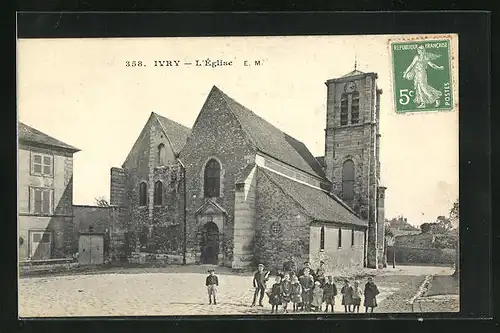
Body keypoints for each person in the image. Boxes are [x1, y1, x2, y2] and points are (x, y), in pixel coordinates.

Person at [403, 45, 444, 109]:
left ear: (422, 51)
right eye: (418, 50)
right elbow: (411, 65)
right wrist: (406, 73)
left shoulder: (426, 58)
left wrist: (439, 68)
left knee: (424, 88)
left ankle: (436, 98)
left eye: (419, 50)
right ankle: (423, 103)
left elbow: (432, 65)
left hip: (422, 74)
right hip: (417, 74)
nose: (418, 51)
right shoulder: (417, 57)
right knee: (418, 88)